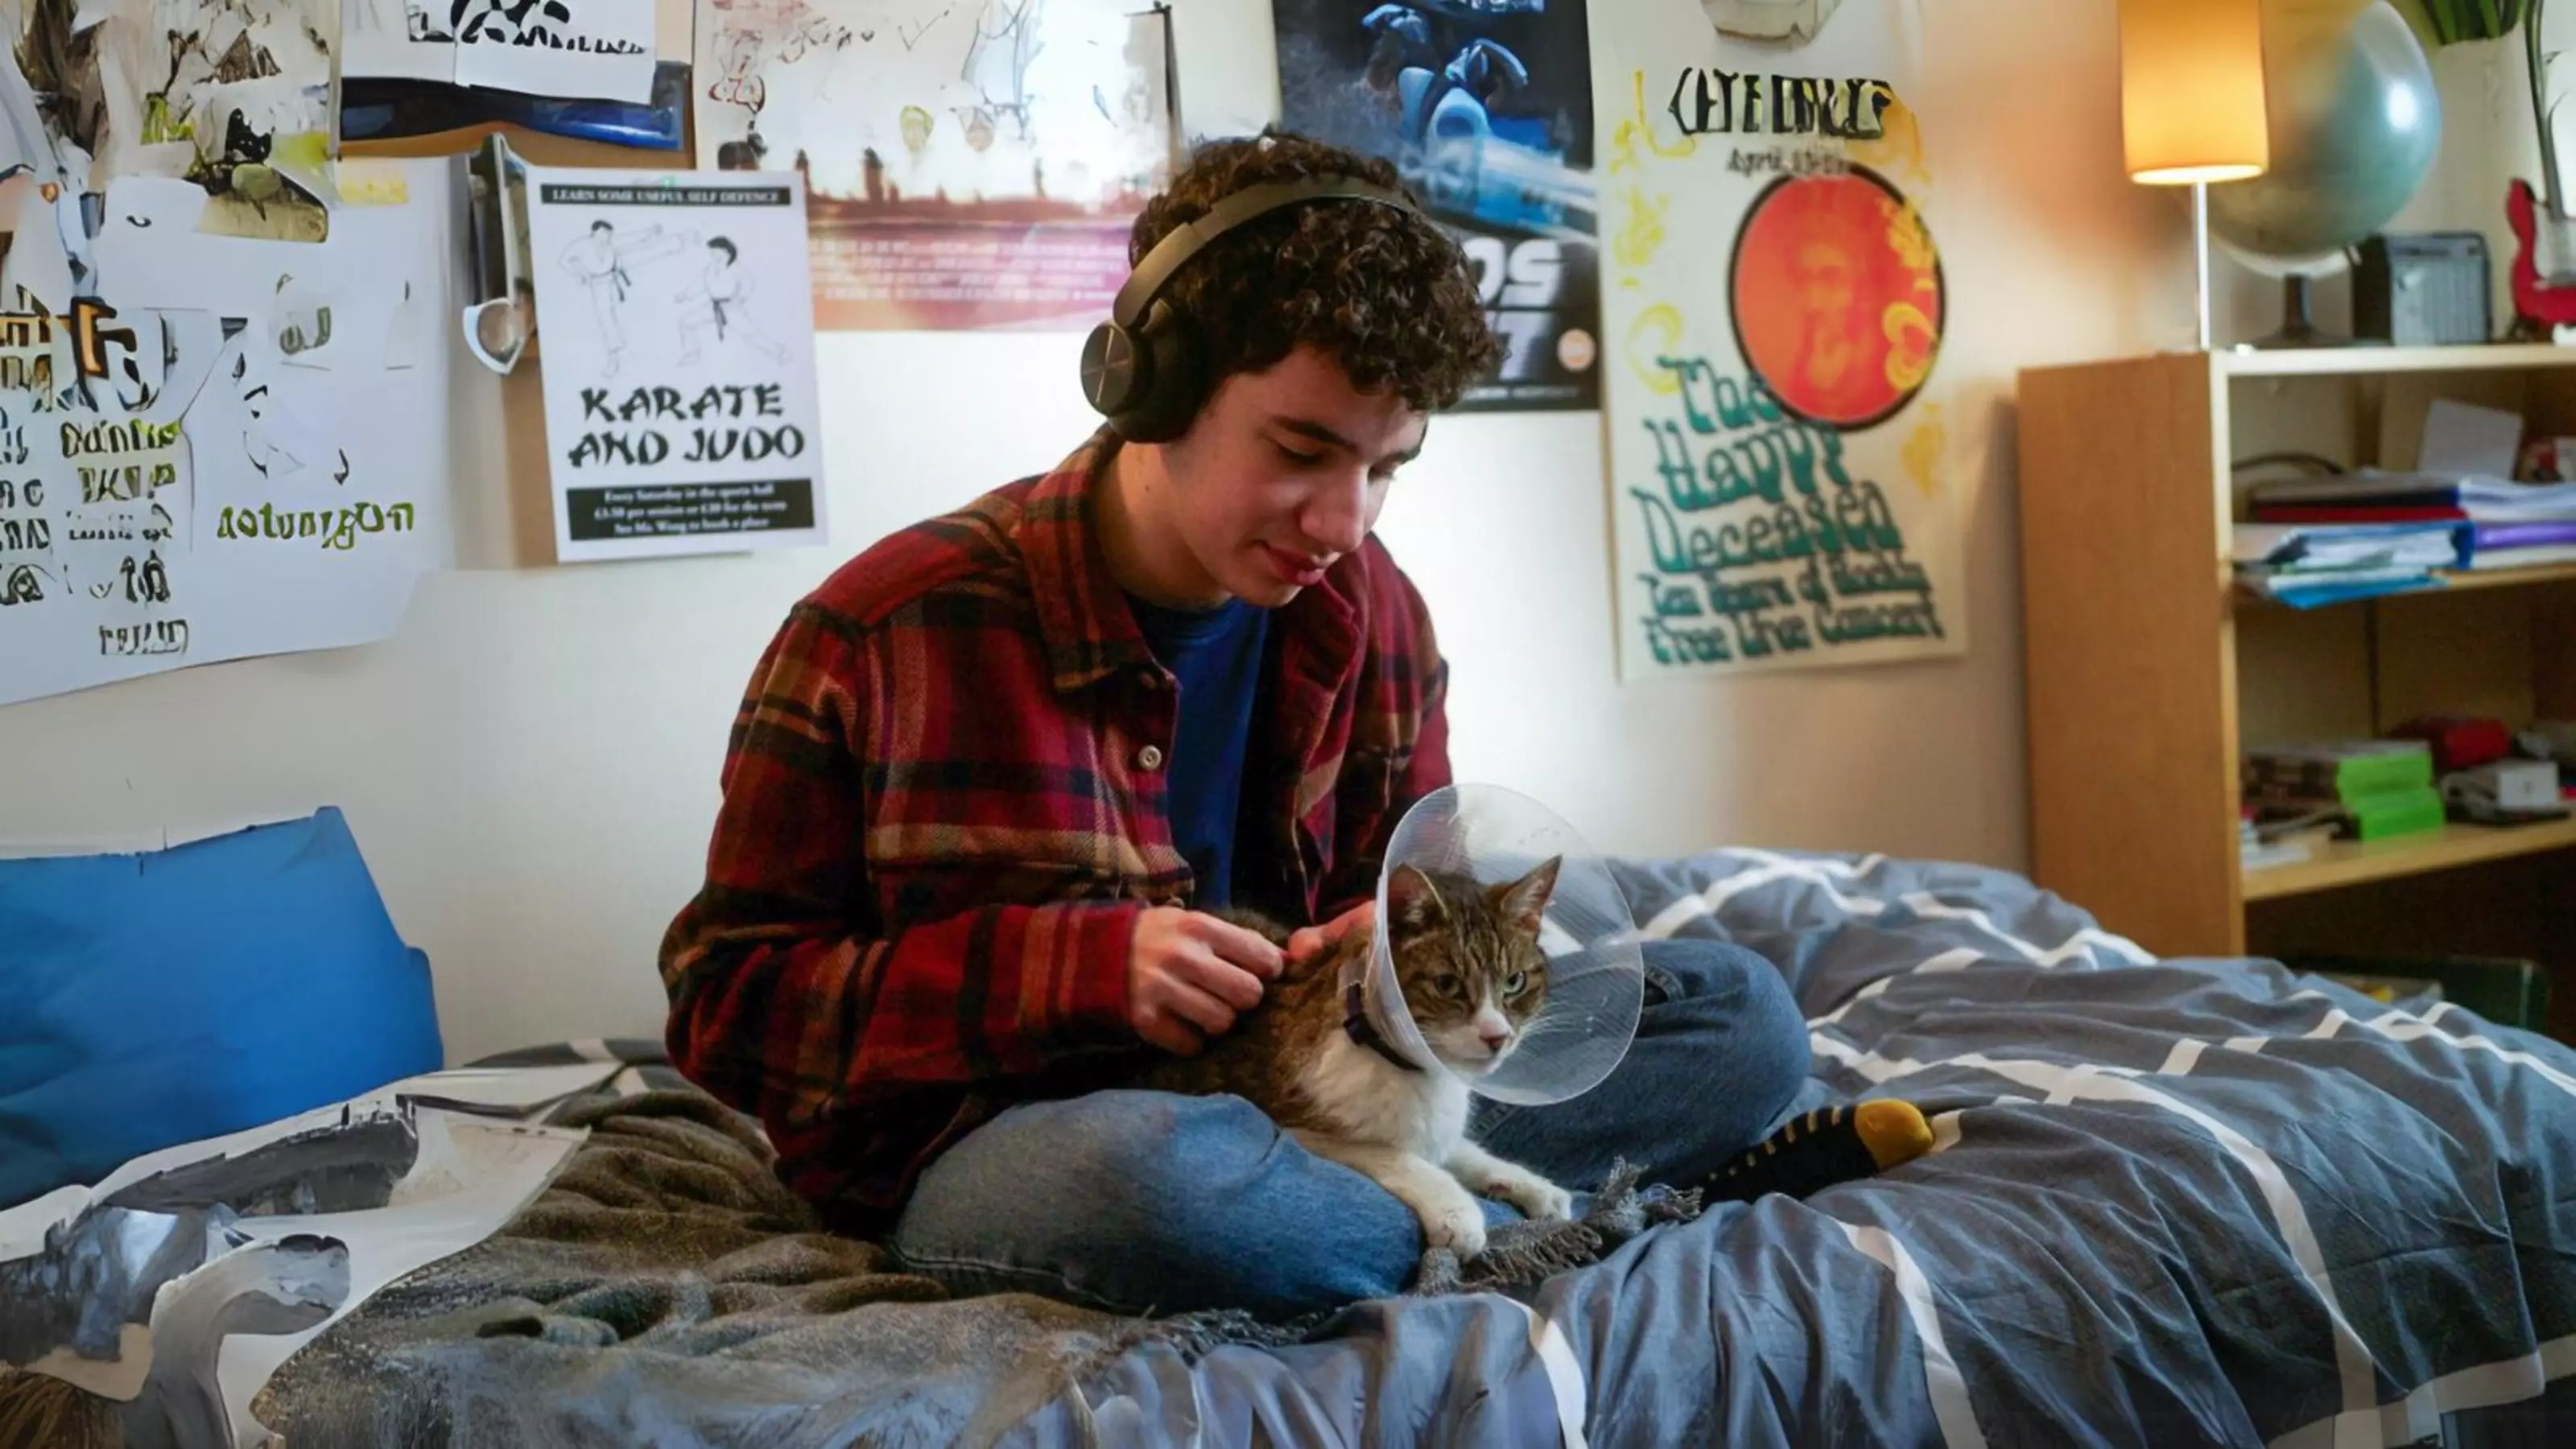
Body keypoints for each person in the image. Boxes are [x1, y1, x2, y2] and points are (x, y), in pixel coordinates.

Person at [659, 130, 1832, 1320]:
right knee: (1160, 1188)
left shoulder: (1375, 610)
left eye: (1388, 468)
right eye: (1301, 451)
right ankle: (1474, 1219)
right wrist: (1076, 972)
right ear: (1152, 385)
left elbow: (1411, 906)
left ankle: (1399, 1220)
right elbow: (726, 1012)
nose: (1343, 519)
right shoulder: (883, 631)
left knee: (1743, 1018)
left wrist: (1374, 936)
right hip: (1041, 1142)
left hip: (1331, 1098)